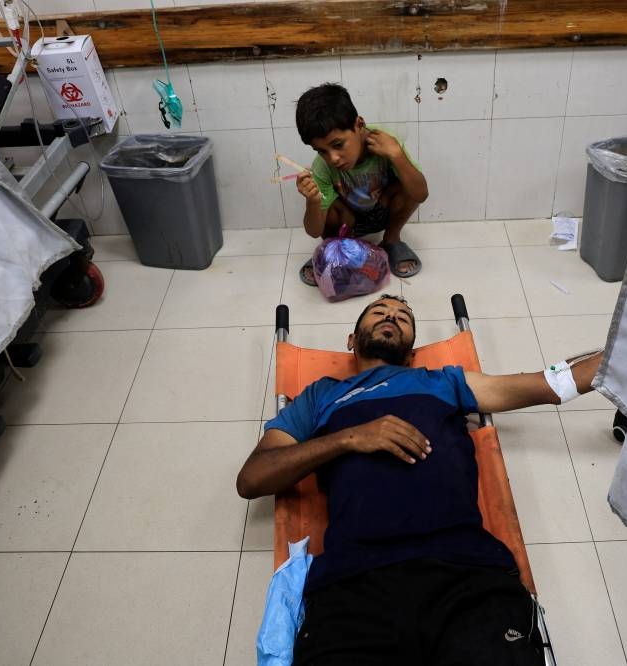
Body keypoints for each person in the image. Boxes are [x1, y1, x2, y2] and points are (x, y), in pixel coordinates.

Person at [237, 295, 604, 665]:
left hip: (466, 575)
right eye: (380, 312)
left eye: (403, 318)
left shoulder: (443, 381)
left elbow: (549, 385)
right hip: (354, 584)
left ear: (411, 352)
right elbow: (252, 478)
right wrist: (348, 438)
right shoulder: (320, 396)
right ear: (351, 340)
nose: (391, 318)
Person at [294, 83, 428, 287]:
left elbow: (421, 194)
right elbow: (313, 231)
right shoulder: (322, 166)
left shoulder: (386, 145)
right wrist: (312, 202)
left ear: (359, 124)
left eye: (338, 144)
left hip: (383, 211)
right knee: (326, 205)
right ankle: (333, 250)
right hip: (349, 221)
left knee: (407, 181)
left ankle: (391, 240)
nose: (333, 158)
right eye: (321, 150)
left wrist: (397, 155)